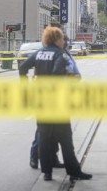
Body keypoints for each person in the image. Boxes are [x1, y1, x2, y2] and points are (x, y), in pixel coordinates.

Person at [19, 26, 92, 182]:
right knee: (66, 139)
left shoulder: (39, 53)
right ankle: (74, 171)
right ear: (57, 39)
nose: (63, 41)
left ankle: (47, 173)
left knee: (44, 139)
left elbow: (22, 67)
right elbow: (57, 73)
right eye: (62, 38)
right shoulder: (61, 55)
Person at [29, 35, 82, 169]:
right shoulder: (50, 55)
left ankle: (53, 159)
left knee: (55, 132)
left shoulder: (66, 56)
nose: (65, 43)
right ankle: (35, 157)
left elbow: (76, 74)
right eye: (64, 41)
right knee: (42, 132)